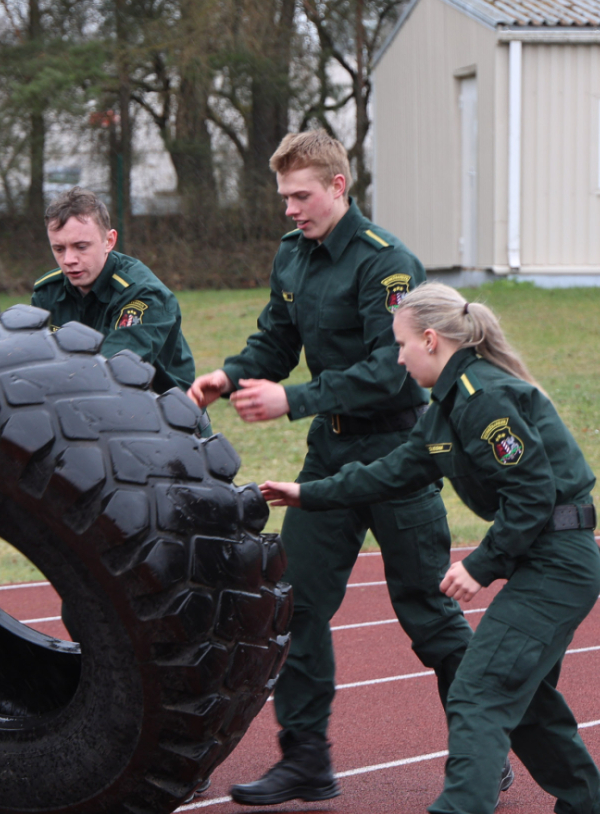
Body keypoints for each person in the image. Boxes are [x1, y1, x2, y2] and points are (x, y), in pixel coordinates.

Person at [187, 131, 481, 806]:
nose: (291, 209)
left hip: (398, 452)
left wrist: (294, 399)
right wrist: (228, 376)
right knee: (292, 606)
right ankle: (307, 761)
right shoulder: (293, 256)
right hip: (331, 454)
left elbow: (390, 373)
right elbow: (277, 338)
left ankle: (481, 749)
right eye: (284, 197)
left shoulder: (388, 264)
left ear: (339, 187)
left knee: (428, 613)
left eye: (302, 195)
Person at [260, 282, 600, 814]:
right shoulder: (447, 409)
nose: (397, 357)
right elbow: (391, 472)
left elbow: (533, 491)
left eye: (400, 345)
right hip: (546, 561)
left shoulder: (483, 397)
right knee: (526, 700)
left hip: (559, 563)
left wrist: (481, 565)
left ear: (430, 340)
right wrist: (308, 494)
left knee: (477, 691)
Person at [30, 187, 207, 434]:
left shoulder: (142, 294)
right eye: (59, 249)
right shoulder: (47, 293)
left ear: (109, 241)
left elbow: (113, 373)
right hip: (85, 423)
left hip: (167, 426)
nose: (69, 259)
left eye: (81, 247)